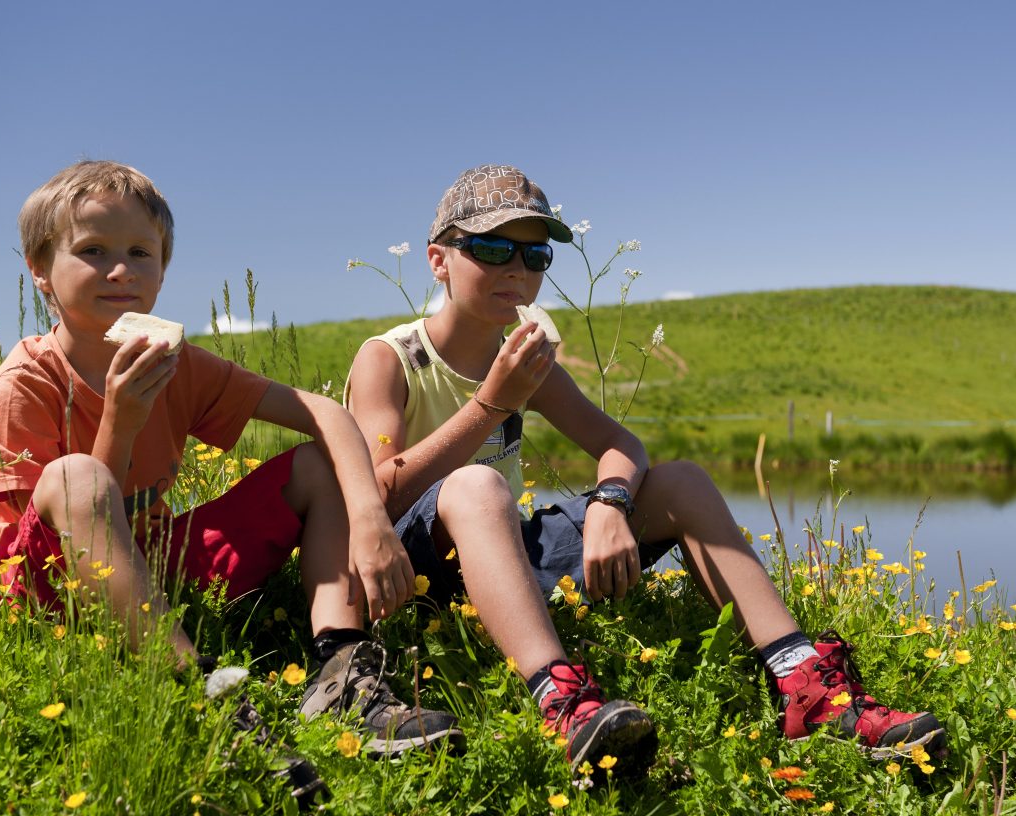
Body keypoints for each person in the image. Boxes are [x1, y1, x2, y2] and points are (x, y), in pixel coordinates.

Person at [344, 164, 946, 779]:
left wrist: (609, 501)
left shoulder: (525, 361)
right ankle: (562, 703)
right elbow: (380, 492)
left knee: (682, 480)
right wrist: (489, 406)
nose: (517, 270)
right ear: (438, 260)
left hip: (506, 555)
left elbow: (620, 443)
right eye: (493, 248)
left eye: (535, 255)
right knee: (478, 484)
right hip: (416, 574)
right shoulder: (391, 359)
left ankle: (803, 685)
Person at [0, 162, 462, 805]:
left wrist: (370, 516)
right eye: (92, 251)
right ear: (39, 269)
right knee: (78, 472)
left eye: (140, 252)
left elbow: (327, 413)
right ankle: (199, 696)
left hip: (153, 569)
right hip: (47, 593)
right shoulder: (22, 388)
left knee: (317, 463)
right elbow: (58, 533)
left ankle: (342, 669)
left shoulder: (179, 363)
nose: (121, 271)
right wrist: (120, 420)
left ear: (164, 269)